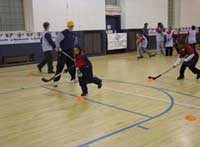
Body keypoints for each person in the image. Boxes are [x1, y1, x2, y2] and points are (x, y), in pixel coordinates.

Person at [53, 21, 77, 86]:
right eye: (70, 26)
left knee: (71, 66)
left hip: (70, 52)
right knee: (60, 66)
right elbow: (57, 40)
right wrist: (58, 47)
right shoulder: (62, 33)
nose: (71, 27)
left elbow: (75, 43)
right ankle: (56, 81)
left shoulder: (74, 34)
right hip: (62, 52)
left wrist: (75, 49)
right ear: (68, 26)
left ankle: (73, 78)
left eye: (72, 26)